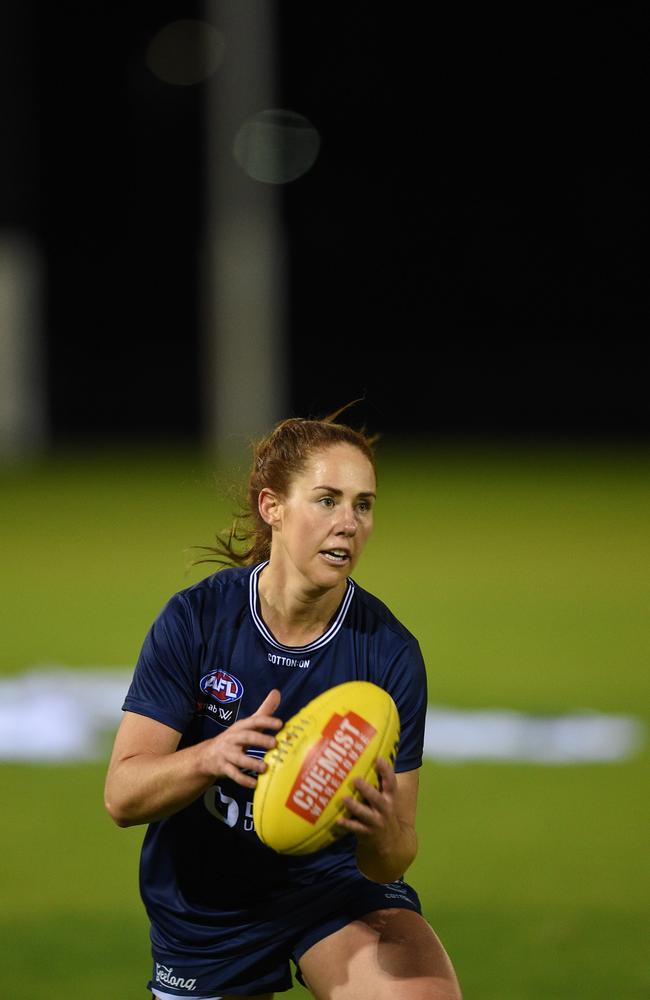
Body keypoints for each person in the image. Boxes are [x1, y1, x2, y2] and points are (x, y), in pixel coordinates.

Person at [104, 405, 462, 1000]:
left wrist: (377, 832)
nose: (348, 522)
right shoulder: (197, 620)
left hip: (335, 886)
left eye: (363, 504)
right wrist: (208, 757)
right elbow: (121, 796)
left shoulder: (389, 653)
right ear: (273, 508)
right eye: (327, 500)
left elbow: (394, 856)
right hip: (209, 903)